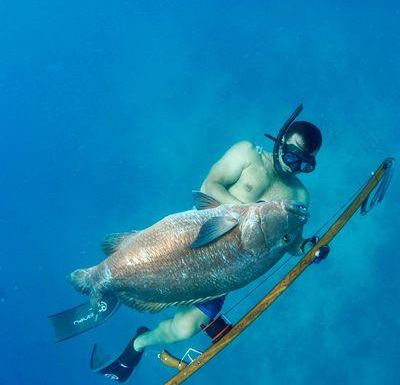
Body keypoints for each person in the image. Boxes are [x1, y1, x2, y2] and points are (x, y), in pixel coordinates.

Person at [92, 105, 330, 382]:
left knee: (184, 329)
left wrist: (308, 250)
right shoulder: (247, 154)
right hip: (195, 241)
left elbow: (289, 242)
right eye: (292, 155)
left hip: (229, 267)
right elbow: (209, 186)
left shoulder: (298, 194)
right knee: (145, 269)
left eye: (304, 164)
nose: (293, 165)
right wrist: (254, 215)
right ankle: (115, 276)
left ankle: (138, 344)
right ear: (279, 140)